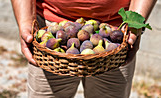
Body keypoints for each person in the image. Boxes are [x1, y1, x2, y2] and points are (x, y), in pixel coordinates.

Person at [11, 0, 156, 98]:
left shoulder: (113, 40)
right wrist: (26, 21)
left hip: (114, 36)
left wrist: (135, 25)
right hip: (51, 29)